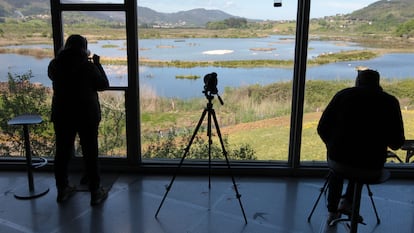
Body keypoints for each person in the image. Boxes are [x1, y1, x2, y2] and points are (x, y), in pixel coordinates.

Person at [317, 69, 405, 224]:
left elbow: (322, 128)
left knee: (338, 165)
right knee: (361, 163)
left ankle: (332, 211)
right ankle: (348, 201)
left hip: (339, 161)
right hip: (371, 168)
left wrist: (331, 146)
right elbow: (397, 143)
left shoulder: (343, 95)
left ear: (357, 82)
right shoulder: (390, 102)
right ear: (378, 83)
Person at [48, 34, 110, 206]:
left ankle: (62, 189)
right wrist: (97, 64)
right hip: (86, 115)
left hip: (62, 114)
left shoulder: (54, 65)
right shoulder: (87, 67)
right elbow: (104, 85)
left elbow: (55, 78)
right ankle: (95, 191)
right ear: (84, 48)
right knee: (90, 152)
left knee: (62, 152)